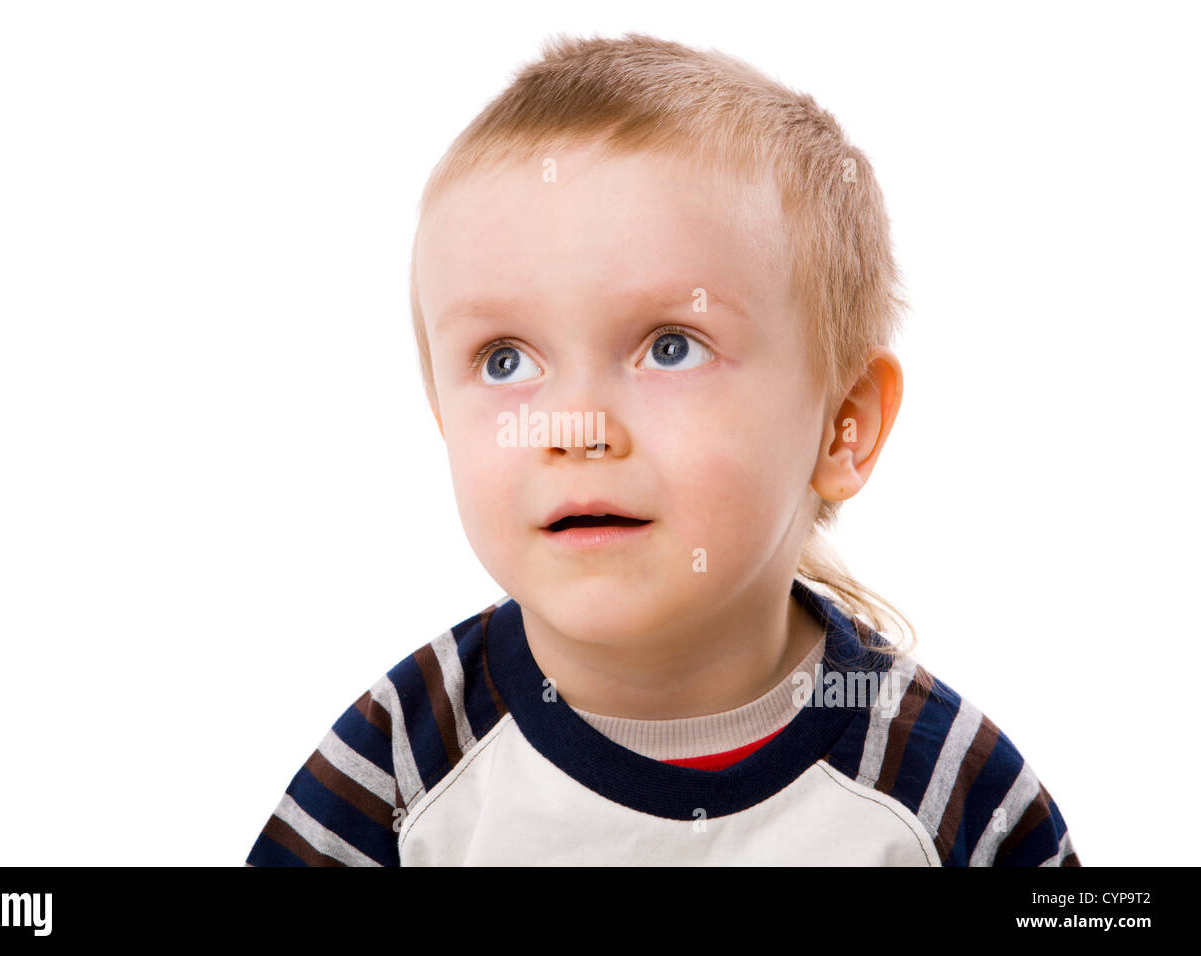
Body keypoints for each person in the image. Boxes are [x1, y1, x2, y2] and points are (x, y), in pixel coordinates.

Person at [246, 32, 1079, 866]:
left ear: (843, 424)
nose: (575, 428)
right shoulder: (400, 765)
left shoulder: (944, 791)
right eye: (506, 360)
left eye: (671, 346)